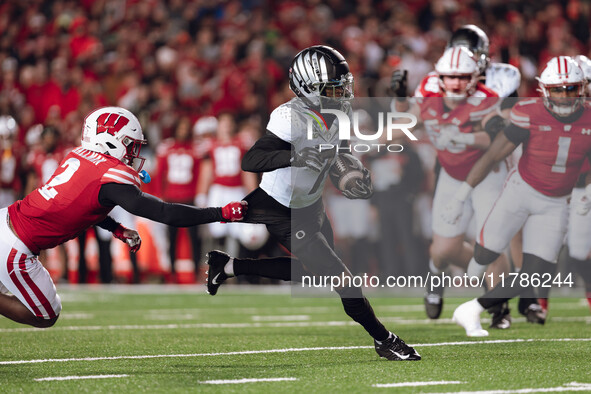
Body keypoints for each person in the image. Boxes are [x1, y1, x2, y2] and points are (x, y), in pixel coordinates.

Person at [204, 45, 420, 361]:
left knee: (313, 274)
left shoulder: (340, 112)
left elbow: (340, 155)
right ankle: (384, 339)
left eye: (343, 85)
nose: (342, 92)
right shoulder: (288, 117)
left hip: (309, 206)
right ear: (307, 87)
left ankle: (228, 266)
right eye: (333, 87)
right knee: (342, 279)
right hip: (283, 208)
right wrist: (296, 155)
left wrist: (349, 179)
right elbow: (252, 159)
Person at [0, 106, 246, 328]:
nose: (132, 152)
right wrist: (220, 213)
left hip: (7, 221)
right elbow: (165, 212)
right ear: (109, 141)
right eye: (129, 144)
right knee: (46, 315)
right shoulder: (110, 176)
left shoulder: (77, 155)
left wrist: (117, 229)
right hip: (15, 246)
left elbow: (83, 204)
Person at [447, 56, 591, 336]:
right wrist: (460, 196)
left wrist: (583, 191)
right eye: (558, 90)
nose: (564, 96)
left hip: (556, 202)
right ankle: (477, 271)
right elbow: (493, 154)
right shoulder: (530, 113)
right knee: (484, 252)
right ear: (545, 90)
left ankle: (472, 309)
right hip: (520, 191)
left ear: (582, 88)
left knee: (535, 273)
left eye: (571, 89)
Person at [391, 25, 521, 326]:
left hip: (490, 165)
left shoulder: (501, 80)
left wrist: (473, 135)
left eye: (473, 54)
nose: (467, 59)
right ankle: (437, 275)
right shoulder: (435, 83)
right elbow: (409, 117)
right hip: (450, 166)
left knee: (493, 239)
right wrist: (399, 101)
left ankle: (497, 302)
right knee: (445, 248)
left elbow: (505, 128)